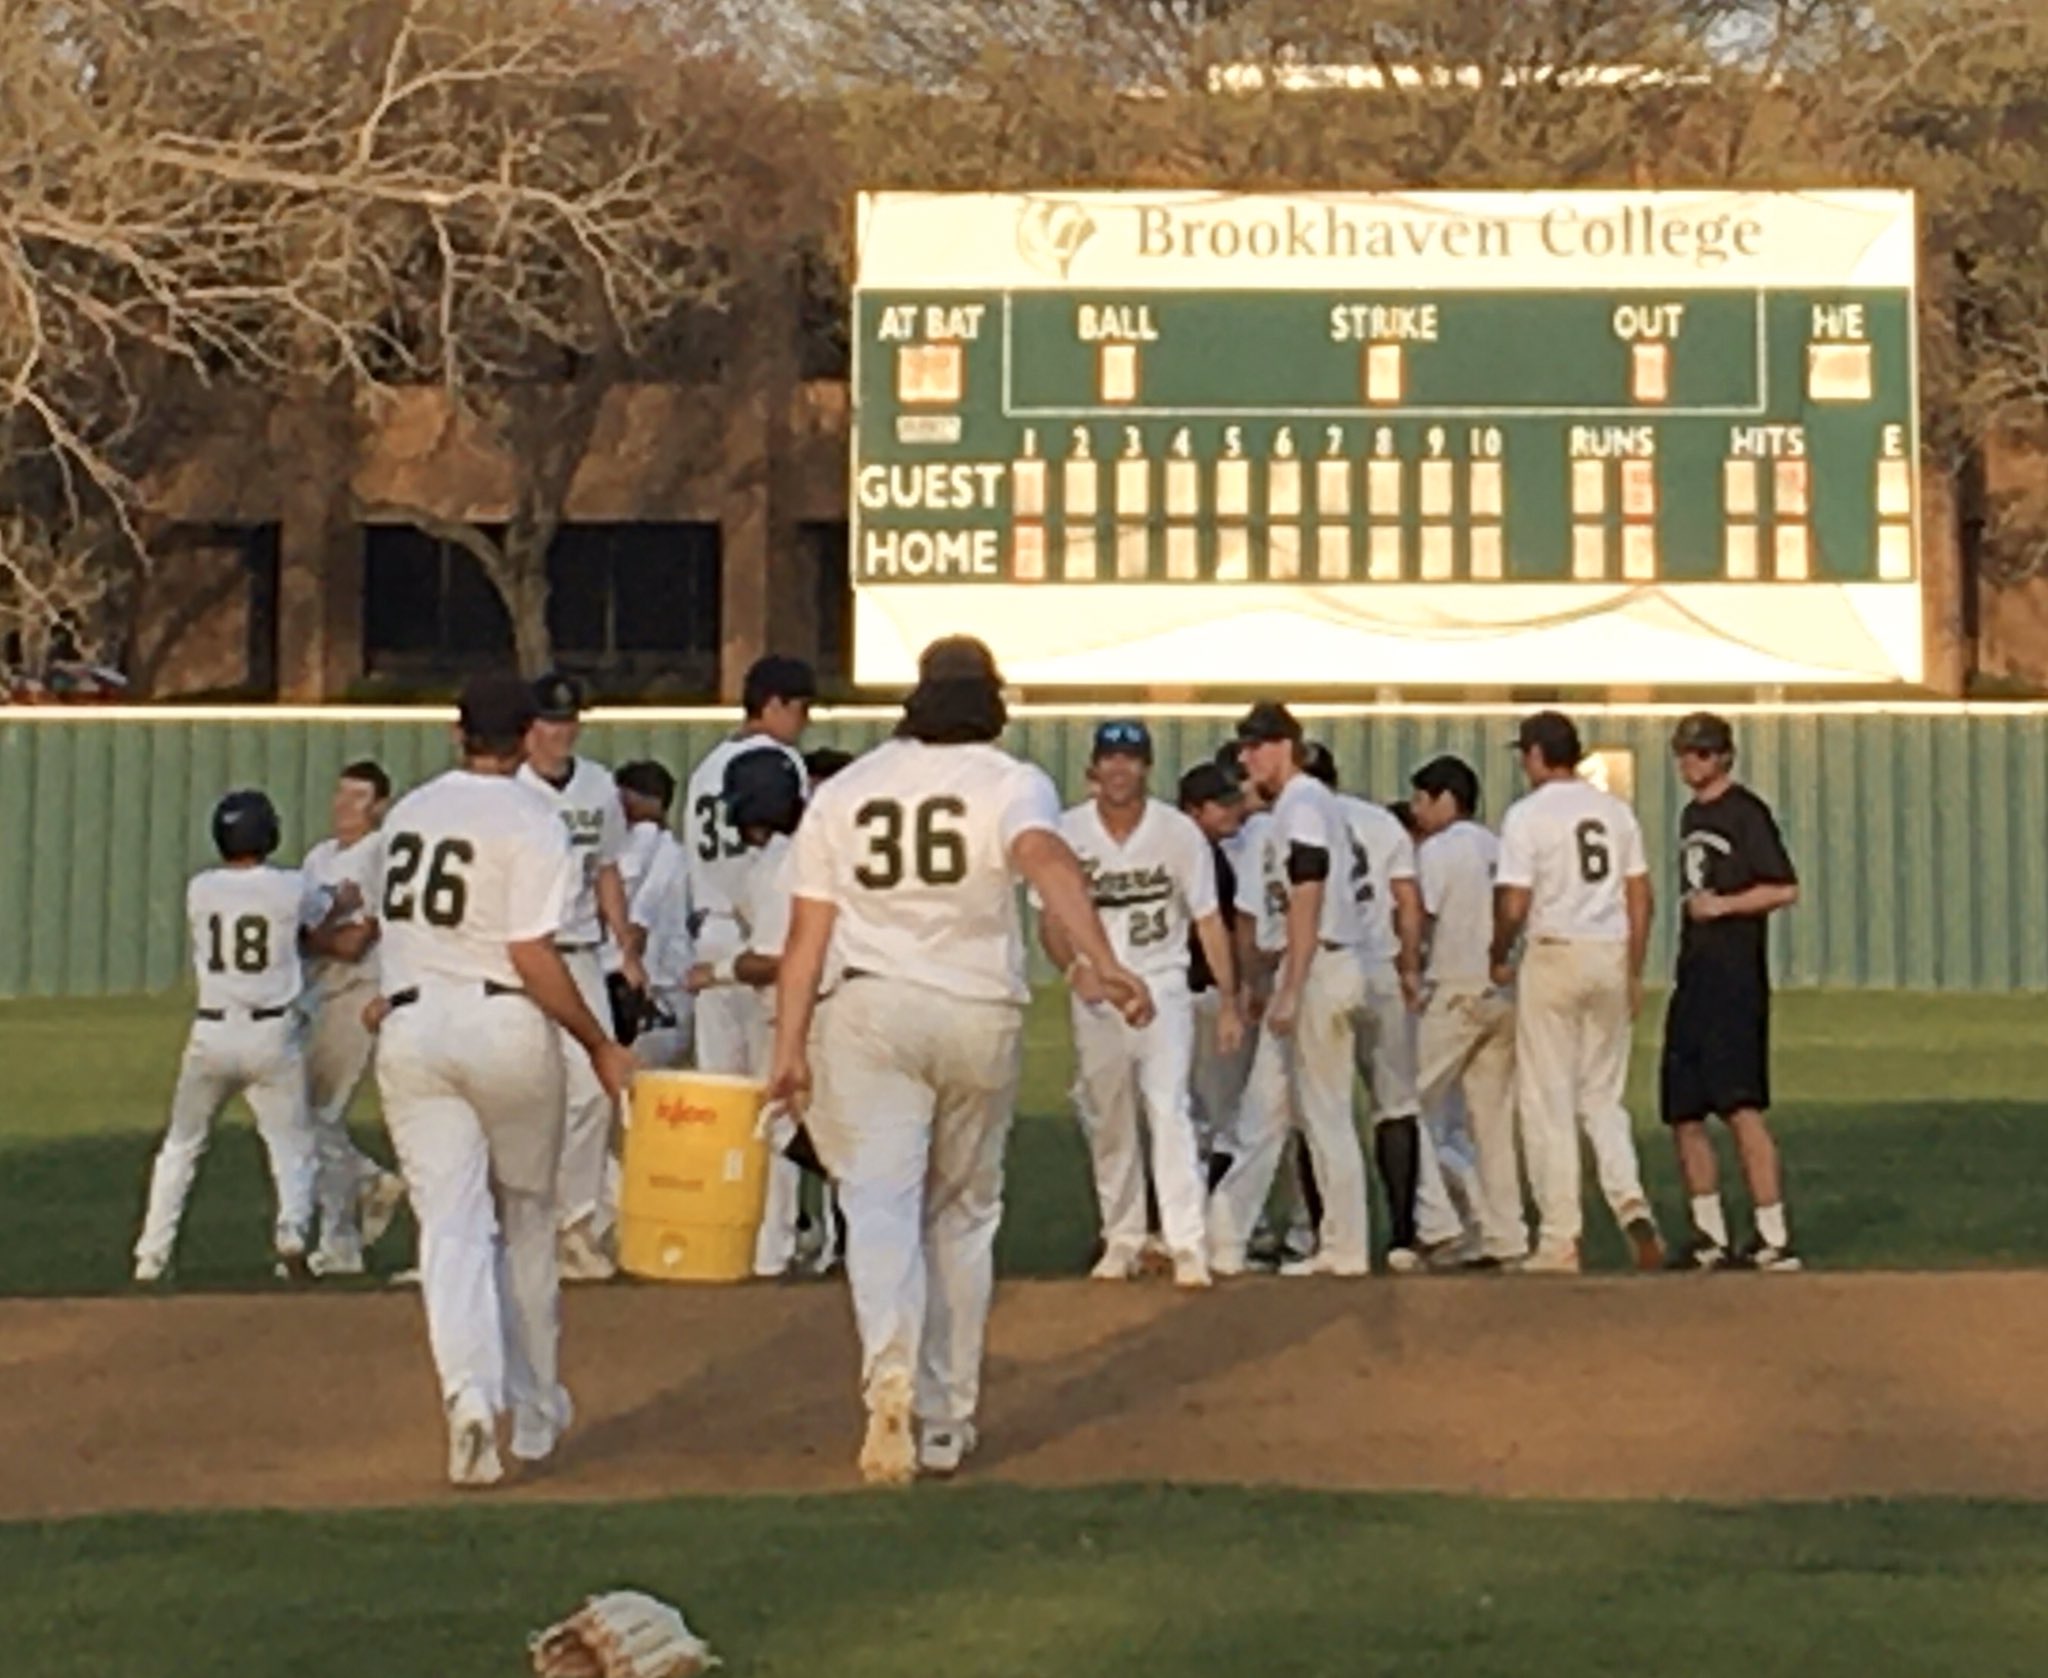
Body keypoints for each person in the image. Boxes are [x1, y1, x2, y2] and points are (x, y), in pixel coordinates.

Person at [766, 636, 1151, 1485]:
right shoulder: (1011, 781)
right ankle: (946, 1417)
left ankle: (889, 1369)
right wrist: (1100, 956)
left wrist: (787, 1049)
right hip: (976, 1008)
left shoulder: (848, 788)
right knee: (964, 1214)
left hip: (868, 1009)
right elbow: (1044, 861)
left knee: (878, 1205)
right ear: (992, 702)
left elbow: (805, 939)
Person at [372, 672, 637, 1488]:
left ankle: (468, 1399)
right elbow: (531, 953)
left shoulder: (410, 810)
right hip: (502, 1022)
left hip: (414, 1025)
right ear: (528, 736)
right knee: (528, 1216)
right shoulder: (534, 816)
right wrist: (596, 1040)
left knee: (449, 1227)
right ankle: (535, 1411)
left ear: (458, 735)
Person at [1048, 721, 1240, 1289]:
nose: (1119, 769)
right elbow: (1051, 919)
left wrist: (1229, 999)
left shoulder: (1176, 832)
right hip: (1098, 991)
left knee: (1169, 1108)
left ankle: (1186, 1243)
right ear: (1094, 769)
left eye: (1130, 759)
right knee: (1109, 1116)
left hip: (1162, 983)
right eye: (1110, 758)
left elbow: (1207, 918)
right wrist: (1074, 968)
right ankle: (1123, 1237)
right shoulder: (1069, 831)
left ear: (1145, 769)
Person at [134, 790, 343, 1284]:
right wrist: (344, 901)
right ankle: (292, 1232)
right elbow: (324, 915)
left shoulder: (201, 887)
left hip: (211, 1031)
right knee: (290, 1144)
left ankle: (151, 1256)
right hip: (271, 1033)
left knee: (182, 1145)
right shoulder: (291, 886)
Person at [1490, 711, 1664, 1274]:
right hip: (1609, 951)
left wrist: (1497, 952)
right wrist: (1634, 969)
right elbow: (1641, 896)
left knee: (1547, 1101)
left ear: (1540, 754)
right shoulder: (1614, 811)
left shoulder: (1527, 815)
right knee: (1601, 1098)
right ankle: (1630, 1200)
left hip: (1554, 951)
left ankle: (1560, 1239)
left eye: (1526, 753)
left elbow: (1515, 901)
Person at [1207, 702, 1372, 1278]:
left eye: (1255, 746)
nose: (1247, 758)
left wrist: (1293, 985)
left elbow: (1309, 886)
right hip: (1306, 967)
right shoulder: (1292, 807)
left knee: (1323, 1114)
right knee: (1263, 1112)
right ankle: (1223, 1239)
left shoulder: (1304, 800)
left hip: (1320, 966)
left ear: (1283, 747)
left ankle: (1346, 1247)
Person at [1303, 742, 1455, 1271]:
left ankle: (1329, 1236)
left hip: (1326, 970)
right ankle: (1403, 1238)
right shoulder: (1377, 821)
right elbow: (1407, 904)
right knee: (1396, 1105)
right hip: (1381, 969)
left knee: (1321, 1109)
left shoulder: (1295, 820)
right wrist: (1410, 967)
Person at [1662, 712, 1802, 1271]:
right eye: (1682, 754)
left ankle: (1773, 1235)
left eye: (1698, 753)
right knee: (1684, 1110)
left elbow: (1784, 887)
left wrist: (1724, 905)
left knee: (1740, 1105)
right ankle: (1709, 1234)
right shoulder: (1692, 815)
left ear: (1722, 756)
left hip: (1734, 979)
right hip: (1693, 975)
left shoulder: (1746, 813)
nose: (1687, 764)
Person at [517, 672, 644, 1282]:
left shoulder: (596, 785)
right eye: (550, 721)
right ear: (528, 728)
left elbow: (608, 869)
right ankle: (519, 1225)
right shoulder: (509, 788)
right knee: (521, 1092)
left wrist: (626, 946)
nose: (562, 731)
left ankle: (576, 1225)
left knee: (596, 1089)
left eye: (569, 721)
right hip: (519, 955)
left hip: (581, 950)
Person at [686, 748, 814, 1277]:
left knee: (781, 1127)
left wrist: (713, 973)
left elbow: (774, 962)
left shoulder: (778, 865)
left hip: (802, 1011)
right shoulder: (813, 851)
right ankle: (782, 1245)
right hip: (837, 1005)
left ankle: (772, 1250)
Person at [1409, 754, 1524, 1268]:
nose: (1416, 810)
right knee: (1492, 1122)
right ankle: (1505, 1235)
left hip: (1454, 989)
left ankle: (1442, 1223)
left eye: (1421, 799)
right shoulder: (1497, 846)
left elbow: (1423, 917)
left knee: (1406, 1106)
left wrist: (1408, 966)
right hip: (1500, 992)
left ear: (1445, 799)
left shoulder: (1439, 850)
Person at [298, 761, 409, 1276]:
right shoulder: (320, 856)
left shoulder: (381, 852)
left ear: (379, 805)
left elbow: (355, 940)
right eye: (341, 794)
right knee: (307, 1117)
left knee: (319, 1115)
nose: (345, 805)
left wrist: (312, 935)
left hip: (358, 989)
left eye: (358, 797)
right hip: (319, 991)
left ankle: (340, 1243)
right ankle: (364, 1185)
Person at [683, 656, 816, 1080]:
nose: (804, 722)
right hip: (763, 937)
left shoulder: (707, 766)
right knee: (769, 1091)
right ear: (774, 704)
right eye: (802, 708)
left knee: (720, 1091)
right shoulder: (779, 761)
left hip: (711, 932)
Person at [1178, 761, 1251, 1179]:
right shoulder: (1202, 855)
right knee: (1217, 1114)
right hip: (1196, 991)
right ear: (1193, 810)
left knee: (1198, 1112)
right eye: (1220, 806)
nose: (1232, 813)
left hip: (1189, 993)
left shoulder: (1209, 853)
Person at [606, 761, 680, 1047]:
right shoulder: (670, 847)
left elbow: (638, 922)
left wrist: (629, 961)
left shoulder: (646, 842)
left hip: (647, 991)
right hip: (660, 987)